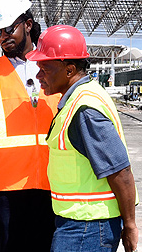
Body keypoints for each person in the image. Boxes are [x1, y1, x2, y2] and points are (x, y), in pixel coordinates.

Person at [26, 25, 138, 252]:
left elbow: (120, 171)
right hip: (82, 222)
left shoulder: (84, 109)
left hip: (87, 226)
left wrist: (130, 224)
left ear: (69, 70)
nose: (38, 76)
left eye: (44, 68)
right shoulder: (79, 98)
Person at [0, 0, 60, 252]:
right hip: (3, 191)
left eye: (9, 29)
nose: (3, 37)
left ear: (28, 24)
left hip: (51, 183)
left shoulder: (54, 67)